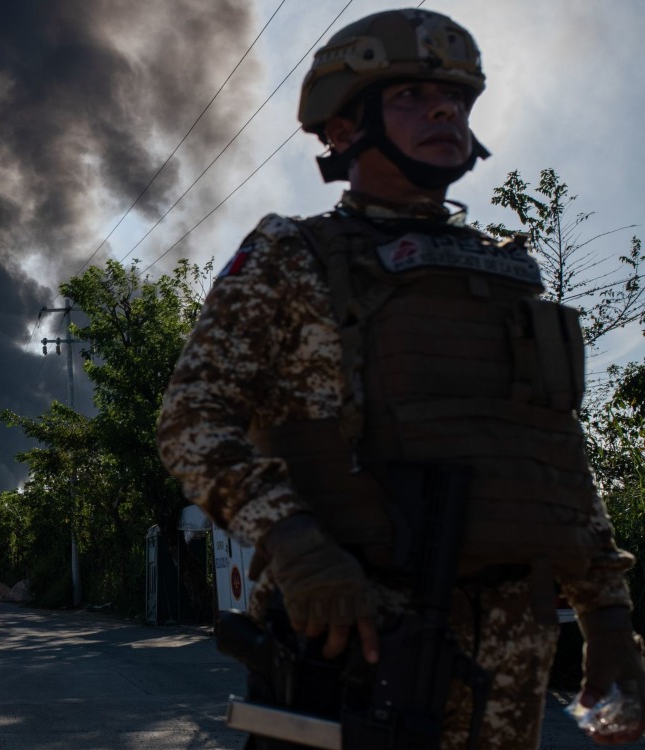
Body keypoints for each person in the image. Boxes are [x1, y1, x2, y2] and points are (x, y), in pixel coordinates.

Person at [156, 8, 645, 749]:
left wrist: (609, 619)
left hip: (512, 648)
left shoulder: (506, 271)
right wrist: (297, 546)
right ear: (345, 128)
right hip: (358, 634)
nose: (445, 108)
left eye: (455, 97)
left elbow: (554, 453)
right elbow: (191, 423)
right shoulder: (293, 257)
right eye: (409, 96)